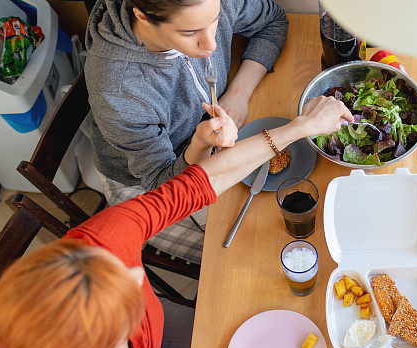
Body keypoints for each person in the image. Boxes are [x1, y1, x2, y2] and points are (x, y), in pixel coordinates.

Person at [0, 96, 353, 348]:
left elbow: (201, 182)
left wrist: (299, 128)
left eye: (127, 278)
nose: (140, 278)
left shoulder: (103, 245)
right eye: (132, 305)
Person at [85, 0, 289, 263]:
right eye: (190, 32)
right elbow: (164, 185)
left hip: (204, 135)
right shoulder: (119, 87)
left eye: (214, 19)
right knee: (245, 256)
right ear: (143, 17)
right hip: (145, 182)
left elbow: (274, 21)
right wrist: (199, 146)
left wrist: (240, 93)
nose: (211, 45)